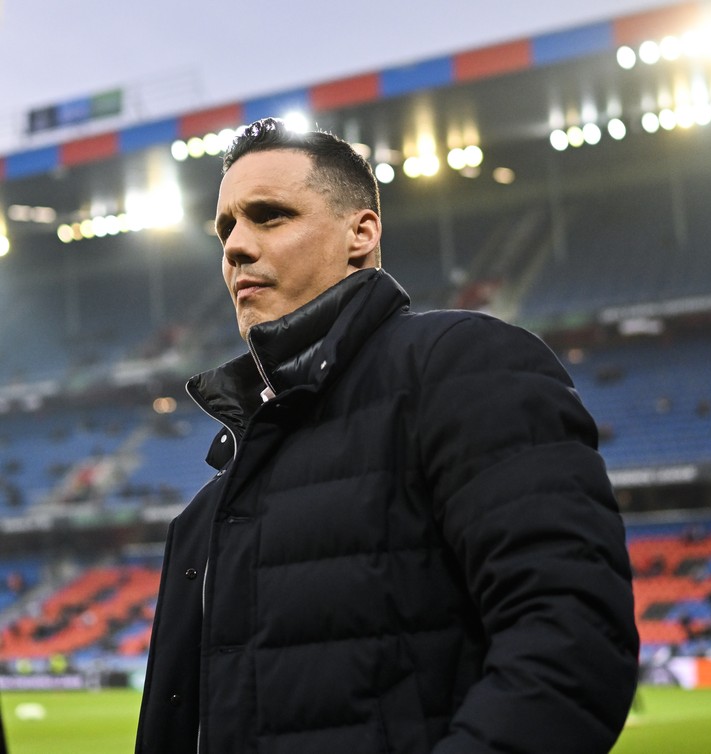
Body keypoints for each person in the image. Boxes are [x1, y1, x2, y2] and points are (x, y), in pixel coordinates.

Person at [135, 117, 639, 754]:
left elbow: (571, 644)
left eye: (269, 216)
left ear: (361, 233)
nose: (235, 246)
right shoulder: (207, 511)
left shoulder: (460, 367)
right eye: (226, 228)